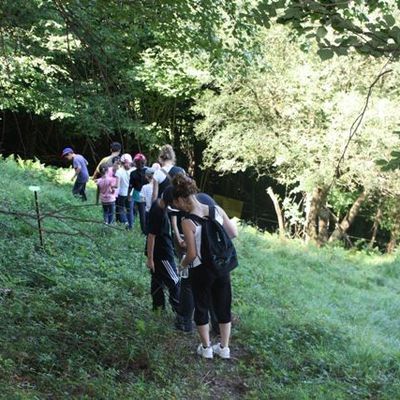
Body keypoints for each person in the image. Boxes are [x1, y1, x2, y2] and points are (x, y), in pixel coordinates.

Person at [171, 174, 238, 359]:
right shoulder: (215, 208)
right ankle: (224, 348)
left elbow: (191, 254)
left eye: (176, 203)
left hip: (202, 270)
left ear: (180, 199)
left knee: (202, 306)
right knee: (223, 306)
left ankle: (206, 347)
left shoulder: (187, 221)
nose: (176, 207)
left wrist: (182, 265)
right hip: (221, 266)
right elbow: (233, 233)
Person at [146, 189, 181, 315]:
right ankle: (179, 312)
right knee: (176, 282)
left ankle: (158, 309)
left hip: (160, 252)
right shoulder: (158, 212)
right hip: (163, 255)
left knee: (157, 280)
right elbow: (151, 236)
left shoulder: (158, 203)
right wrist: (150, 259)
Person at [128, 153, 148, 234]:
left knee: (140, 212)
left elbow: (130, 186)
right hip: (147, 193)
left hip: (138, 193)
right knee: (145, 212)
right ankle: (146, 229)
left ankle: (143, 230)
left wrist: (128, 195)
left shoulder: (133, 173)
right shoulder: (148, 171)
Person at [115, 153, 134, 229]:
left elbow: (117, 185)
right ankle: (131, 226)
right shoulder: (133, 171)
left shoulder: (119, 171)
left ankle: (125, 221)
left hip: (122, 194)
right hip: (131, 194)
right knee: (130, 210)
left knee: (121, 208)